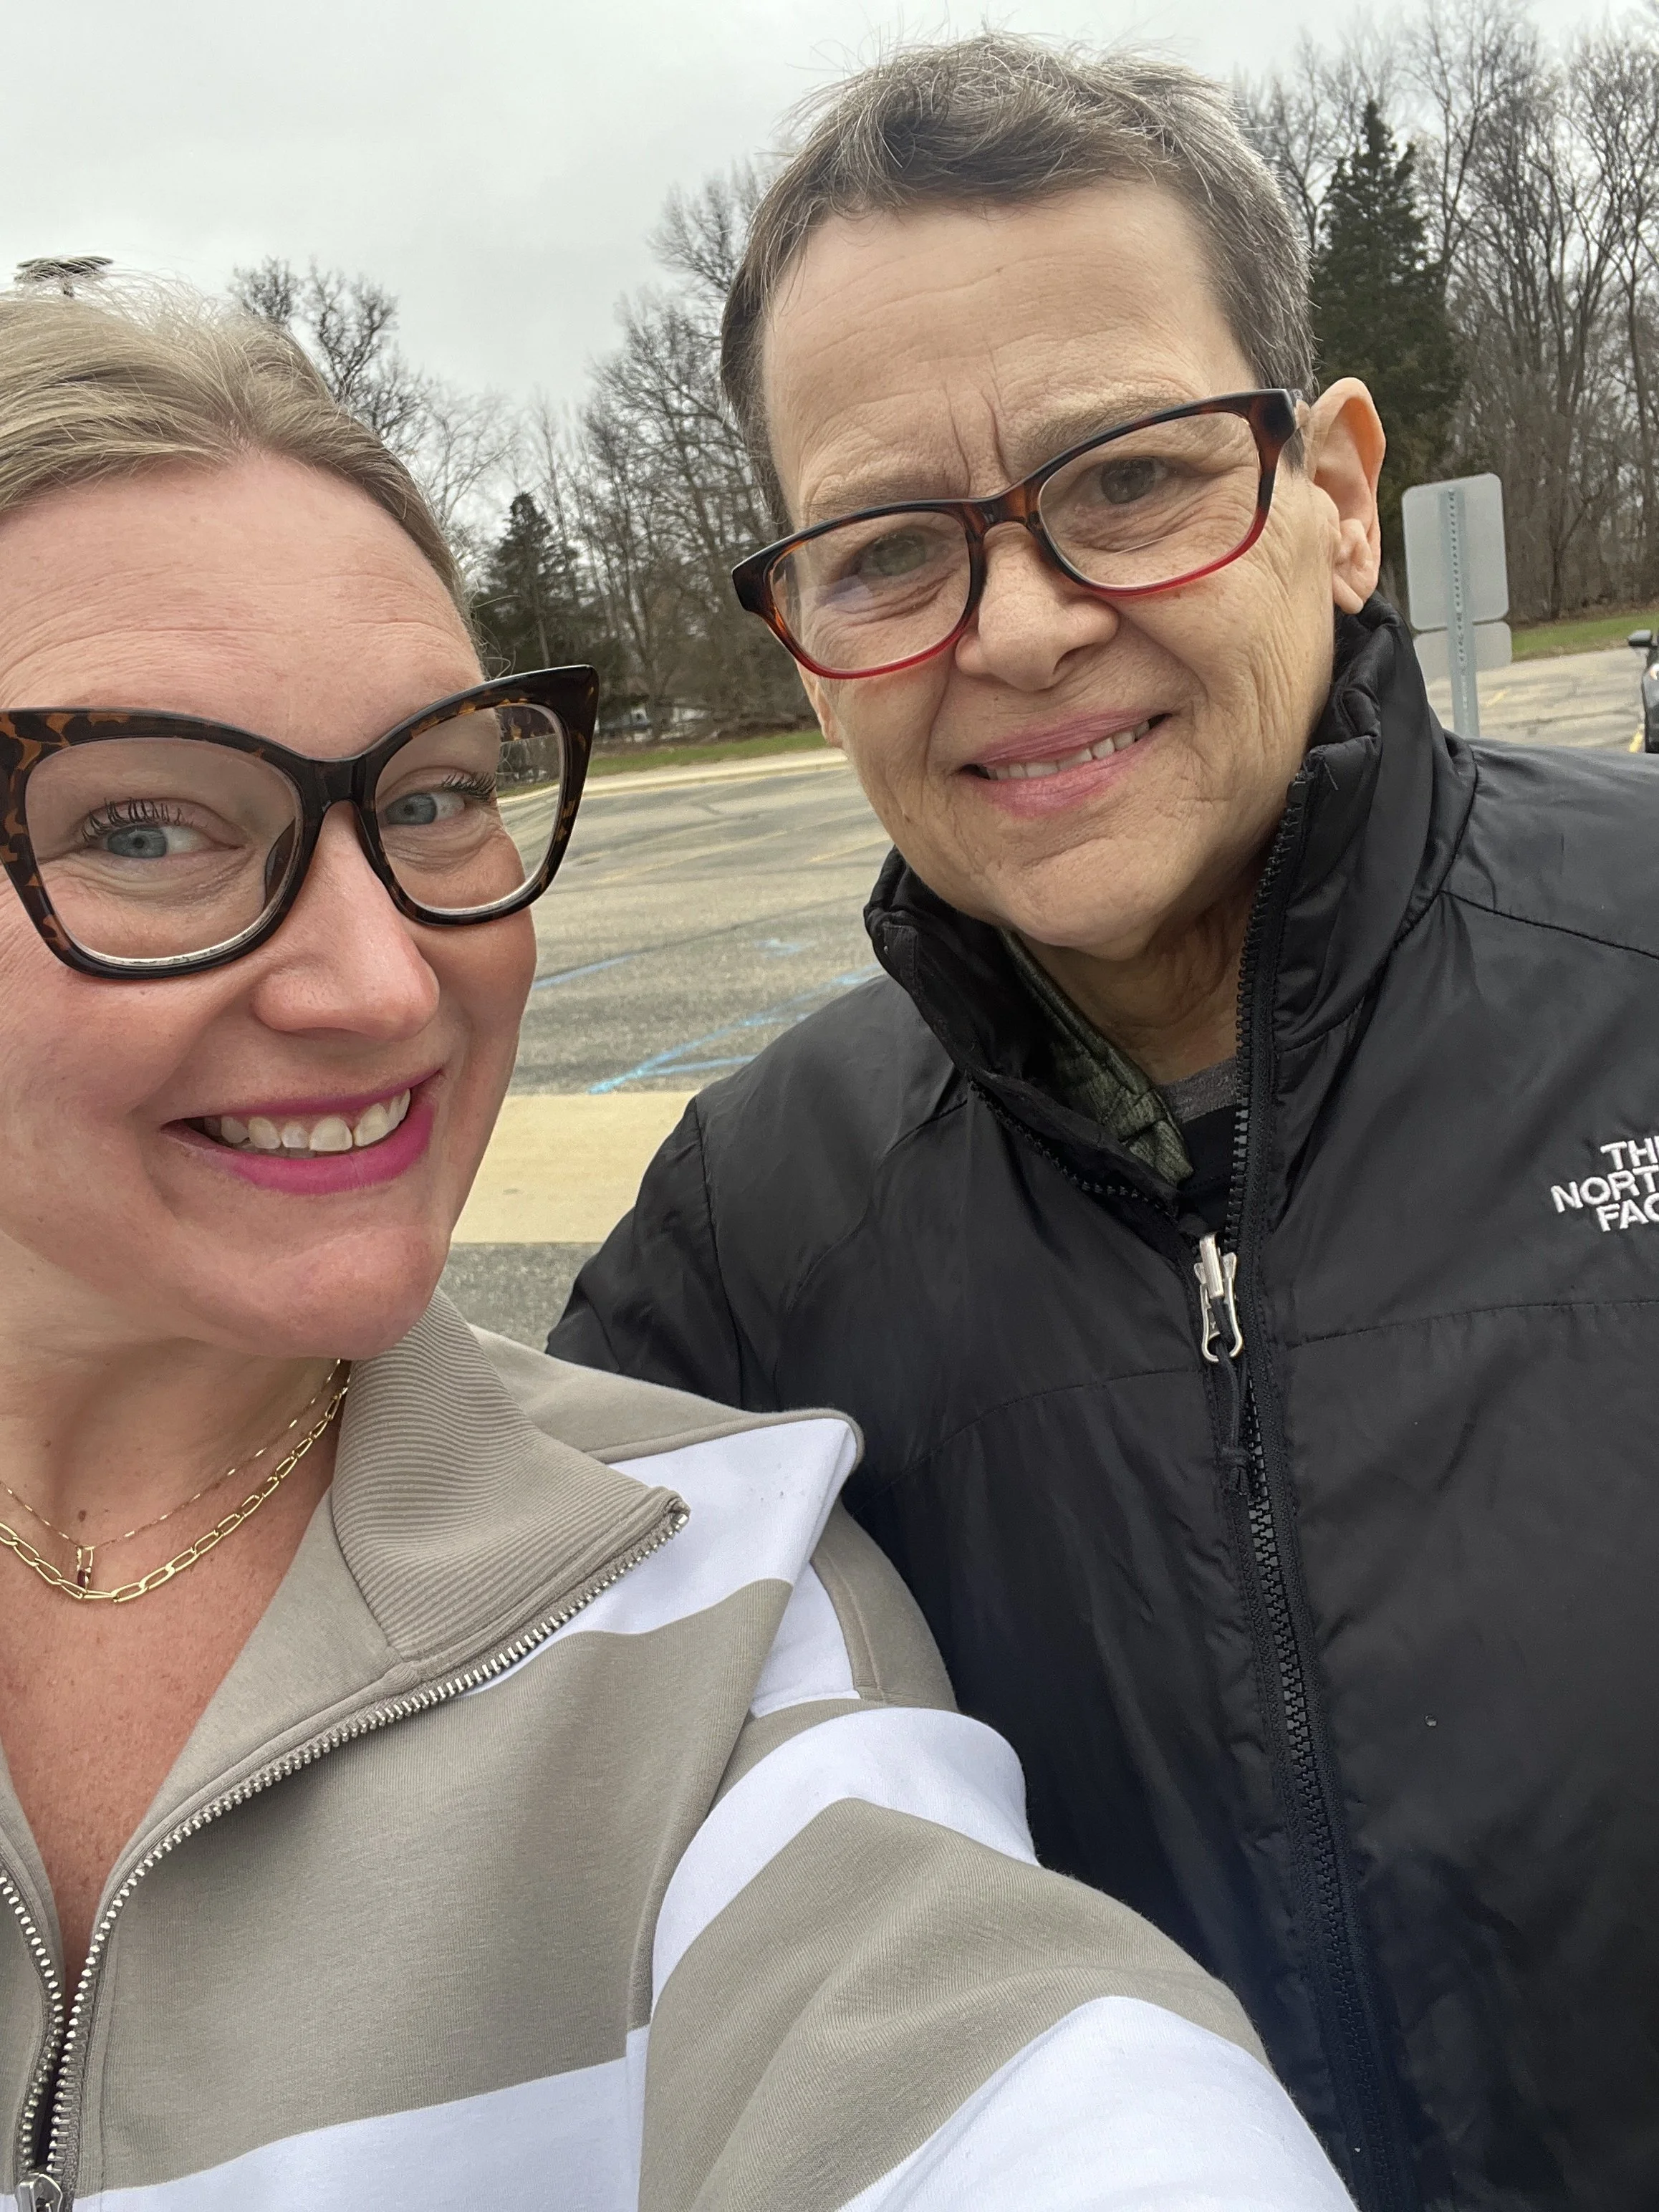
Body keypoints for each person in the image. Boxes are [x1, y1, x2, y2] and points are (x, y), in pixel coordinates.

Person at [0, 277, 1352, 2212]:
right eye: (143, 828)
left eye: (435, 798)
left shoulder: (711, 1613)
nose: (385, 984)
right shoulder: (765, 1192)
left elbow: (986, 2065)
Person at [551, 34, 1659, 2212]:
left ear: (1334, 495)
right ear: (806, 641)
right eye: (885, 550)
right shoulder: (738, 1249)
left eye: (1130, 478)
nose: (1029, 623)